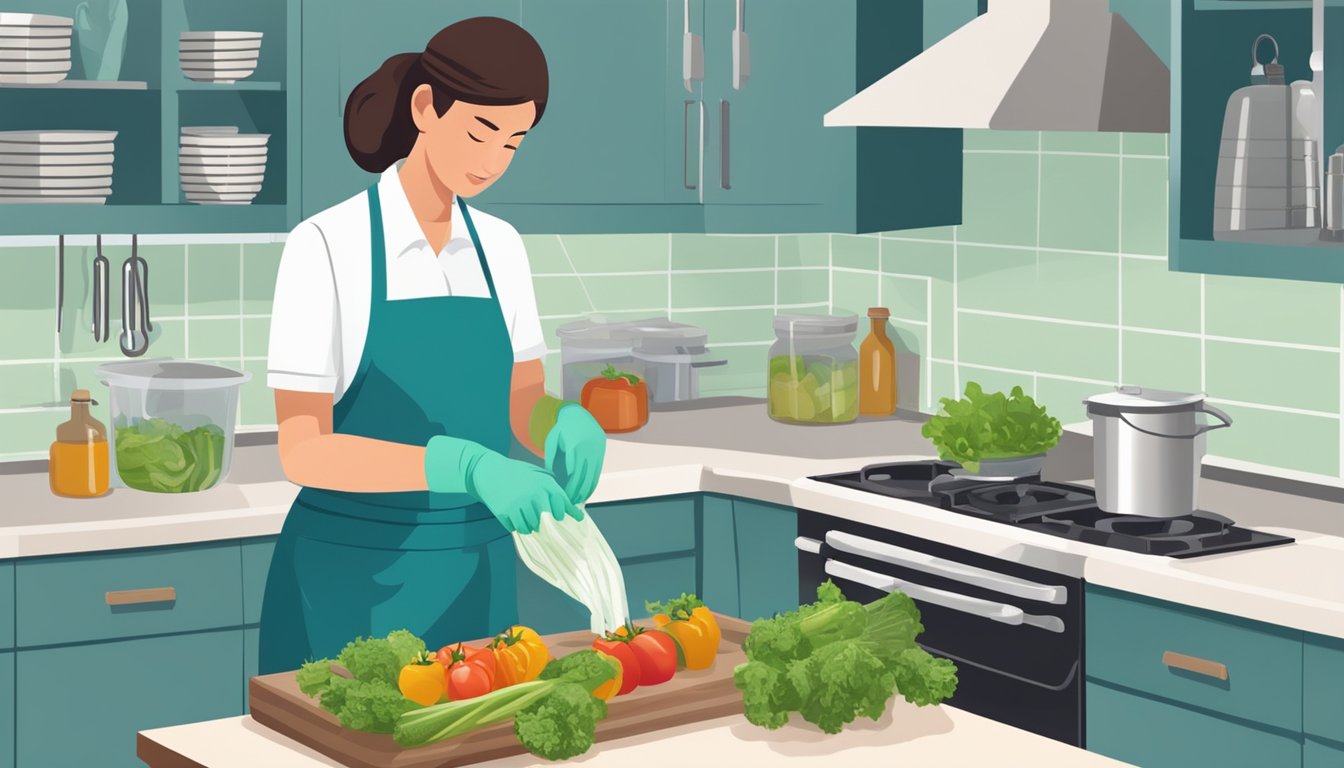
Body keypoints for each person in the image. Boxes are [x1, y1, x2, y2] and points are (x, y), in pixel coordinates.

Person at [257, 17, 605, 674]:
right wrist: (464, 466)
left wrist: (560, 421)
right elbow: (303, 448)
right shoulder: (328, 246)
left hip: (479, 575)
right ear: (425, 107)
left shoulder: (501, 246)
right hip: (352, 585)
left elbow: (520, 398)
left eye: (513, 142)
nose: (492, 160)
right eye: (480, 131)